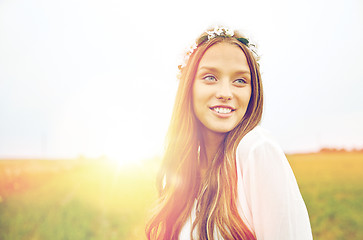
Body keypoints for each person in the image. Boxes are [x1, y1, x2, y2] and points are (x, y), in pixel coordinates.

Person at [145, 26, 313, 240]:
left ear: (254, 91)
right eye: (210, 77)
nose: (225, 93)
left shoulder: (257, 150)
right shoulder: (181, 170)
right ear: (189, 86)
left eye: (240, 80)